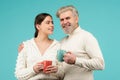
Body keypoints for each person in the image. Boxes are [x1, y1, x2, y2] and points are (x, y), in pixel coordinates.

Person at [56, 5, 105, 80]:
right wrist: (55, 70)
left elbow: (100, 64)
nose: (64, 22)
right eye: (61, 20)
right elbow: (62, 72)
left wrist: (76, 60)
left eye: (67, 18)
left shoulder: (87, 37)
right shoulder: (62, 41)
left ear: (76, 19)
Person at [15, 13, 62, 80]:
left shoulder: (57, 45)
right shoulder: (26, 46)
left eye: (52, 22)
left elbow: (63, 73)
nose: (52, 25)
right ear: (38, 26)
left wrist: (57, 70)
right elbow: (18, 74)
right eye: (48, 23)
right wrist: (33, 69)